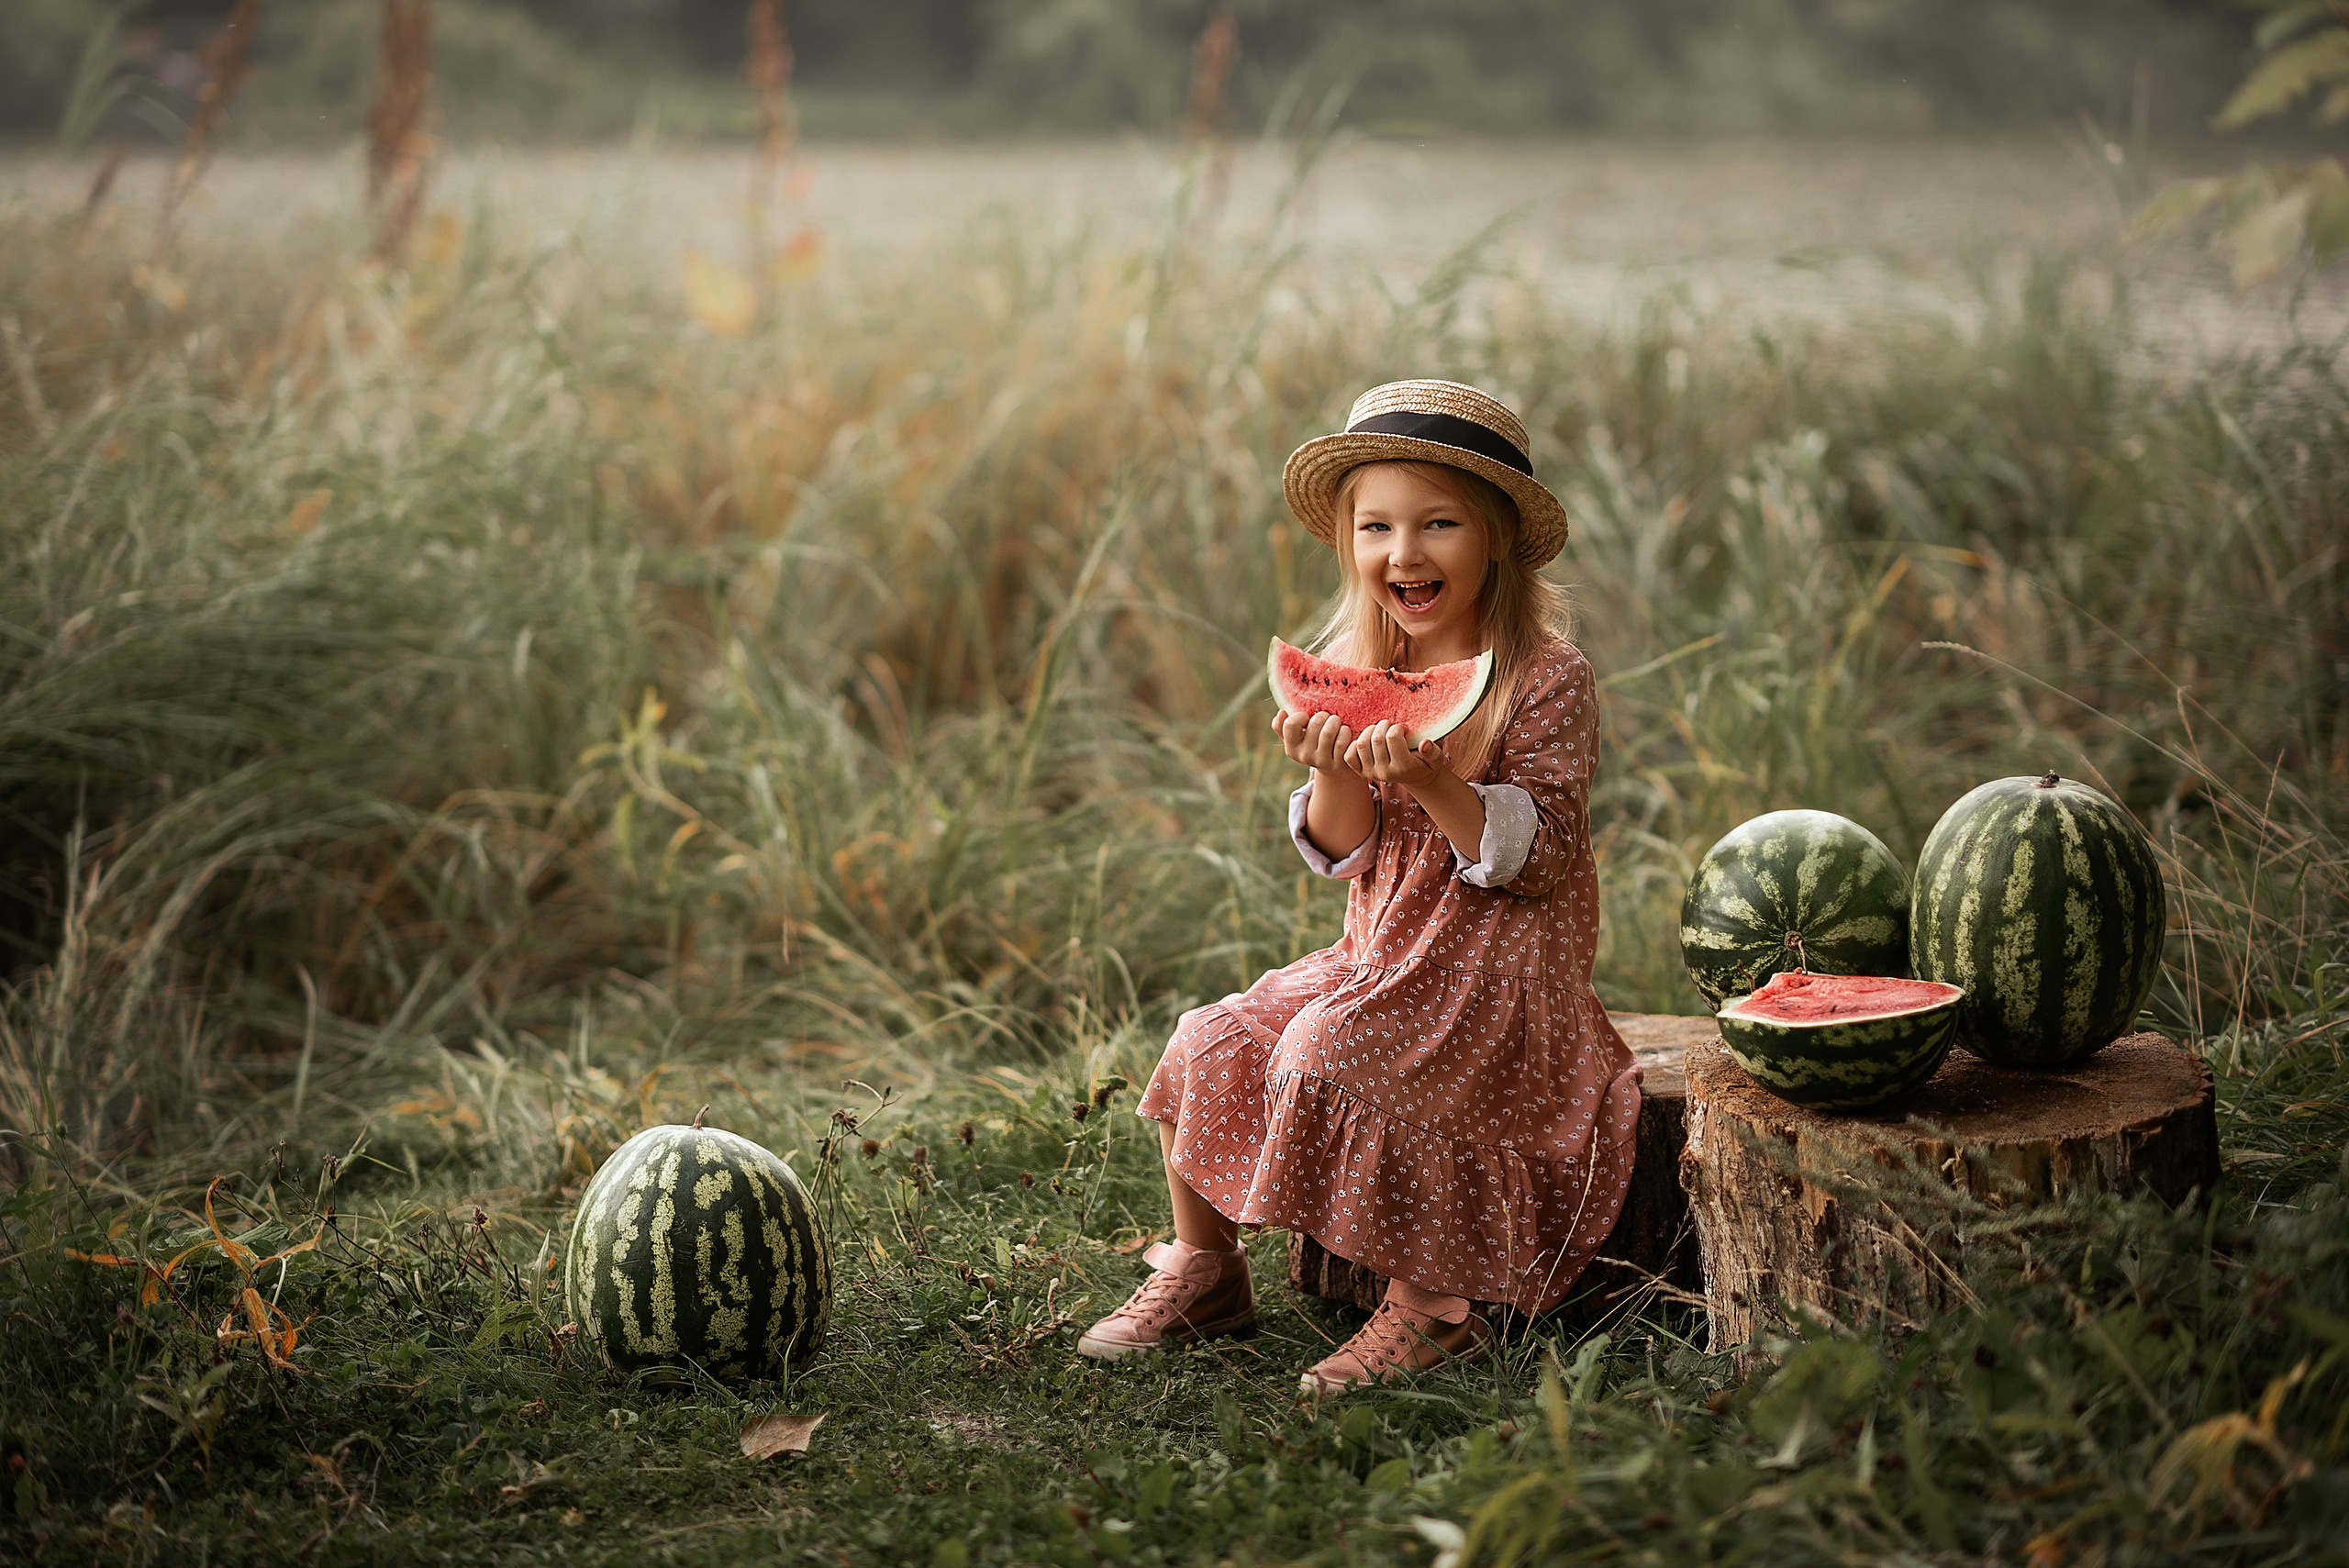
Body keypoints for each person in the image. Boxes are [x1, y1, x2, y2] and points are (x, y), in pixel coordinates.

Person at [1076, 380, 1642, 1395]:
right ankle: (1206, 1270)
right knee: (1209, 1032)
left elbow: (1544, 854)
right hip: (1377, 954)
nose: (1404, 553)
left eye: (1438, 523)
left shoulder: (1548, 675)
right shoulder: (1352, 658)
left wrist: (1431, 773)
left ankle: (1436, 1305)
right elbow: (1339, 845)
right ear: (1347, 543)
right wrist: (1334, 763)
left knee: (1330, 1049)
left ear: (1498, 538)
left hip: (1497, 979)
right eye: (1375, 526)